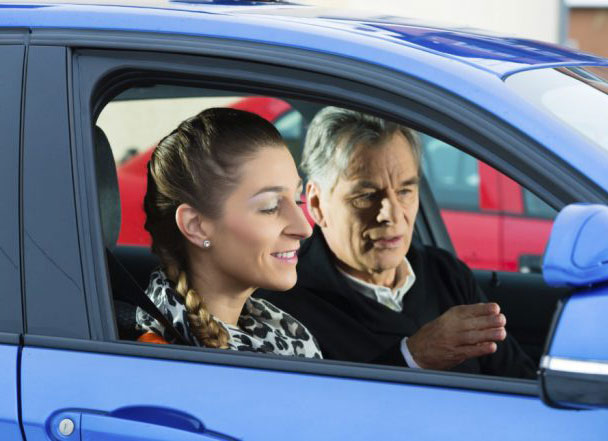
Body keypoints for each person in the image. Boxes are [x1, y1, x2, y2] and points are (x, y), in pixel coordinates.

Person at [257, 107, 535, 377]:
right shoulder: (282, 302)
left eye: (404, 191)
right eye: (365, 196)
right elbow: (316, 414)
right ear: (317, 203)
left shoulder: (445, 273)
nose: (390, 215)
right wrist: (412, 357)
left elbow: (521, 381)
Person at [135, 107, 321, 358]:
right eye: (270, 207)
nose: (304, 228)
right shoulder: (163, 358)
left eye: (297, 200)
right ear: (196, 226)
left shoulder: (282, 334)